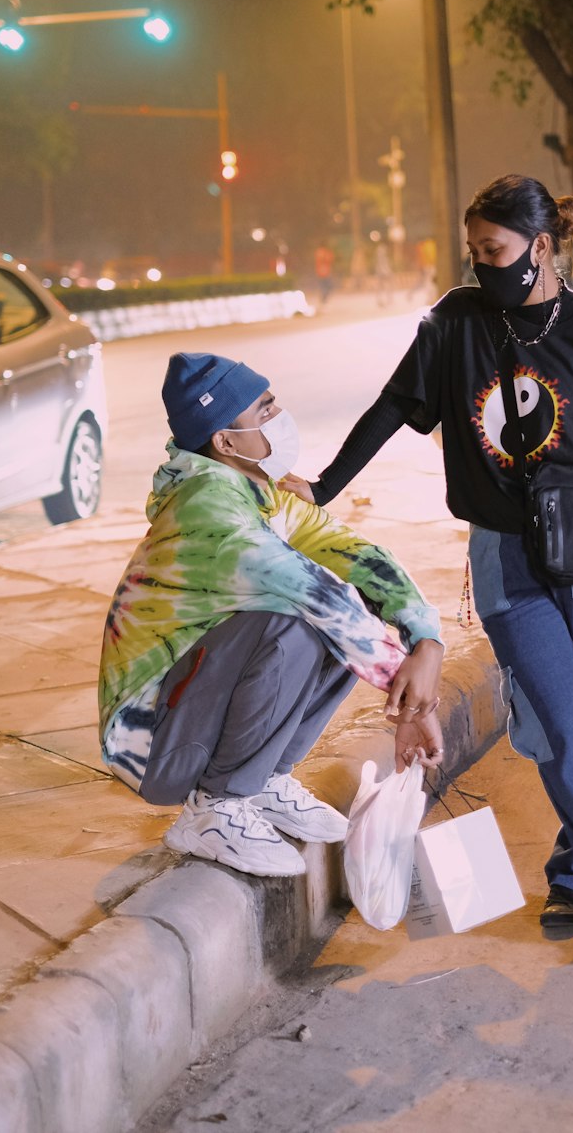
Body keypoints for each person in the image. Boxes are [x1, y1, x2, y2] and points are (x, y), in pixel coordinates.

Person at [282, 173, 573, 953]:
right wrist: (325, 485)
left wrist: (570, 502)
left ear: (540, 247)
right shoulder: (455, 325)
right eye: (473, 254)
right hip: (505, 560)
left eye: (493, 251)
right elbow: (396, 406)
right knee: (564, 727)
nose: (481, 268)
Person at [98, 351, 444, 879]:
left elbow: (356, 554)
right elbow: (311, 592)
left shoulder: (258, 493)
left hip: (190, 712)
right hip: (151, 741)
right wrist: (413, 700)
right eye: (263, 410)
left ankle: (261, 781)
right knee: (294, 620)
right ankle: (215, 808)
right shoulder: (207, 508)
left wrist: (425, 639)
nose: (278, 417)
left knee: (357, 599)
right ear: (225, 442)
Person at [314, 244, 335, 308]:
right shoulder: (325, 252)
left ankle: (323, 298)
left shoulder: (319, 252)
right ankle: (324, 298)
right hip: (325, 272)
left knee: (324, 286)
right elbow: (330, 259)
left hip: (321, 271)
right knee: (326, 286)